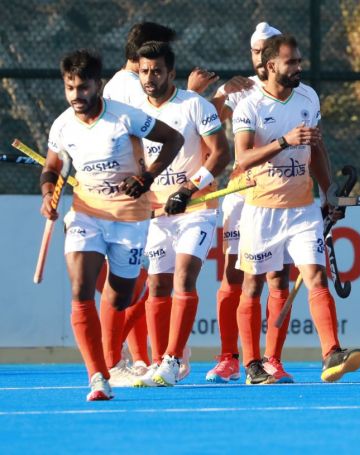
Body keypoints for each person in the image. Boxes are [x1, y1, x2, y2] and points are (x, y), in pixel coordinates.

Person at [40, 49, 183, 401]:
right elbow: (52, 167)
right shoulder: (62, 125)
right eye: (70, 88)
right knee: (80, 290)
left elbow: (174, 139)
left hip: (129, 219)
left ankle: (137, 290)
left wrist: (148, 176)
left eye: (83, 87)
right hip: (86, 215)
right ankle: (97, 377)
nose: (76, 95)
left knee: (120, 299)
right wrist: (48, 193)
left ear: (98, 86)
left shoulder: (125, 117)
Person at [232, 34, 360, 384]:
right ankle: (253, 364)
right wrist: (283, 141)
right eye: (292, 62)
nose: (299, 67)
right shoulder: (249, 106)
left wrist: (329, 193)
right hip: (262, 210)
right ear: (271, 65)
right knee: (256, 285)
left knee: (316, 276)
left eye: (300, 61)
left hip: (302, 208)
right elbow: (243, 159)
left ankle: (331, 353)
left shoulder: (308, 96)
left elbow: (316, 149)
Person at [102, 21, 209, 380]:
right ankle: (121, 360)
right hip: (136, 202)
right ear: (140, 56)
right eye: (150, 62)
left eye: (159, 65)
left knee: (148, 283)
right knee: (131, 285)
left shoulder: (139, 87)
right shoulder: (125, 88)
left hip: (155, 199)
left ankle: (149, 358)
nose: (153, 73)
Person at [129, 41, 230, 387]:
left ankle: (172, 360)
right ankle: (158, 359)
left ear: (172, 73)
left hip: (196, 209)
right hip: (155, 212)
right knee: (157, 284)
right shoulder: (132, 110)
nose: (150, 77)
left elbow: (220, 154)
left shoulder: (195, 105)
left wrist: (188, 189)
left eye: (157, 70)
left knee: (184, 278)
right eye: (144, 71)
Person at [206, 22, 299, 384]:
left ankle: (273, 359)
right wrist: (215, 97)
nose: (260, 57)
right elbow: (204, 126)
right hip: (243, 195)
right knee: (232, 276)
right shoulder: (238, 89)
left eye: (266, 51)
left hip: (282, 194)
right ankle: (229, 356)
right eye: (255, 51)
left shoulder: (295, 90)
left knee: (279, 278)